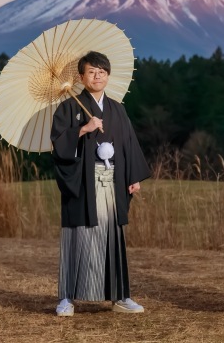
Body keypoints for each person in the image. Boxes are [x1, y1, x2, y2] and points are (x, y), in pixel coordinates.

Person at [50, 51, 150, 317]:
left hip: (112, 181)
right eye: (92, 72)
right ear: (81, 77)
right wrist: (82, 129)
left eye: (102, 72)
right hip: (82, 182)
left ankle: (120, 297)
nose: (97, 76)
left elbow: (129, 144)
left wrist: (133, 177)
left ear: (108, 76)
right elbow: (58, 146)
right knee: (77, 237)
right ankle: (66, 298)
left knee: (112, 238)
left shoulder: (117, 108)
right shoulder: (69, 107)